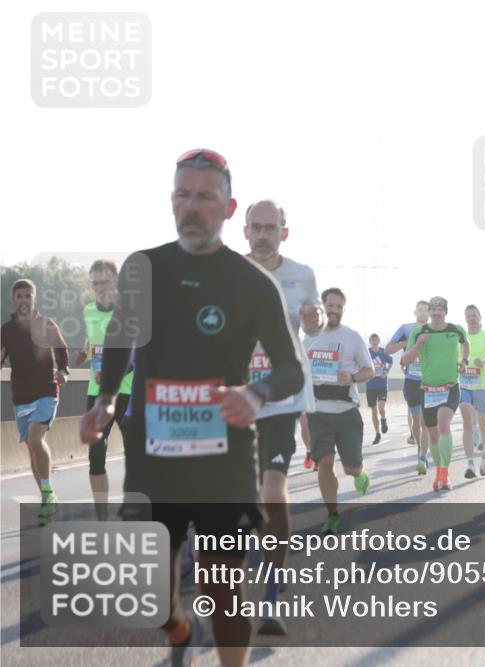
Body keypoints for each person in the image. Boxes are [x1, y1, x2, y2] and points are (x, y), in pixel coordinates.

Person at [79, 148, 304, 667]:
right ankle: (179, 632)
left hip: (223, 460)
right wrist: (107, 399)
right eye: (183, 195)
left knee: (220, 589)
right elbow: (121, 337)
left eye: (205, 197)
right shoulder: (144, 268)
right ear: (171, 200)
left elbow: (291, 370)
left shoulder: (253, 283)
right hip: (153, 456)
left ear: (229, 207)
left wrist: (255, 393)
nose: (192, 207)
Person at [243, 198, 324, 635]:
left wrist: (313, 319)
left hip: (281, 396)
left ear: (283, 233)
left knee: (273, 489)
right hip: (235, 396)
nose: (262, 235)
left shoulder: (301, 275)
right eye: (256, 227)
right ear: (245, 232)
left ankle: (270, 599)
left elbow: (314, 323)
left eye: (270, 228)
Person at [304, 288, 374, 535]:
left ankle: (359, 473)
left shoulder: (352, 337)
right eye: (330, 305)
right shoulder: (307, 339)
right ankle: (332, 514)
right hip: (318, 413)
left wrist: (352, 378)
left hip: (346, 412)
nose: (334, 310)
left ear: (343, 309)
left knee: (350, 469)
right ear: (321, 307)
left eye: (339, 307)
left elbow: (369, 370)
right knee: (325, 462)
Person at [1, 278, 68, 525]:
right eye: (19, 296)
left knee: (35, 438)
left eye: (28, 296)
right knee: (31, 446)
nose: (24, 300)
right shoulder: (6, 331)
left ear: (34, 299)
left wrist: (64, 371)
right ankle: (47, 497)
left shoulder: (46, 325)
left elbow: (61, 351)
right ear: (13, 300)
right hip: (21, 396)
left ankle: (48, 492)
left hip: (46, 391)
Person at [75, 260, 133, 520]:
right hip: (96, 392)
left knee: (136, 456)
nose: (100, 288)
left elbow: (137, 353)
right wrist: (83, 354)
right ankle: (102, 520)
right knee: (96, 454)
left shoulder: (128, 312)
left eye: (105, 282)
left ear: (116, 282)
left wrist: (115, 373)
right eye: (95, 283)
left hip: (128, 391)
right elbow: (93, 343)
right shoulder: (89, 311)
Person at [401, 296, 469, 492]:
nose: (437, 313)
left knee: (444, 423)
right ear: (430, 312)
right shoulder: (419, 332)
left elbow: (465, 344)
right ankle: (439, 471)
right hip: (428, 390)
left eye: (440, 310)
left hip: (450, 387)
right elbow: (406, 360)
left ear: (445, 312)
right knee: (432, 434)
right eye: (433, 309)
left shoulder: (456, 329)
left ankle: (444, 474)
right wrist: (418, 345)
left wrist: (464, 361)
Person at [386, 300, 431, 473]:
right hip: (412, 380)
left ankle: (422, 456)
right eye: (420, 309)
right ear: (415, 312)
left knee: (426, 422)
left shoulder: (435, 329)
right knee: (416, 423)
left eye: (426, 310)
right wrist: (405, 344)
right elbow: (388, 349)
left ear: (429, 313)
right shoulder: (406, 328)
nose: (423, 312)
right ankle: (419, 445)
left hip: (429, 381)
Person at [458, 304, 485, 478]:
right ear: (465, 319)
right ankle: (470, 464)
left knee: (483, 423)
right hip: (465, 385)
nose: (471, 318)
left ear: (480, 318)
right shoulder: (460, 339)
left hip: (483, 386)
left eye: (474, 315)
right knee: (467, 422)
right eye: (468, 316)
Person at [365, 333, 392, 444]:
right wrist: (365, 374)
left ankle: (383, 418)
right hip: (370, 385)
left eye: (376, 339)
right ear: (370, 341)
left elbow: (390, 361)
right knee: (374, 411)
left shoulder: (383, 352)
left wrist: (386, 371)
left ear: (379, 341)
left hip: (382, 385)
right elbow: (360, 363)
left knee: (381, 408)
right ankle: (377, 434)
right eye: (372, 340)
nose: (374, 341)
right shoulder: (367, 353)